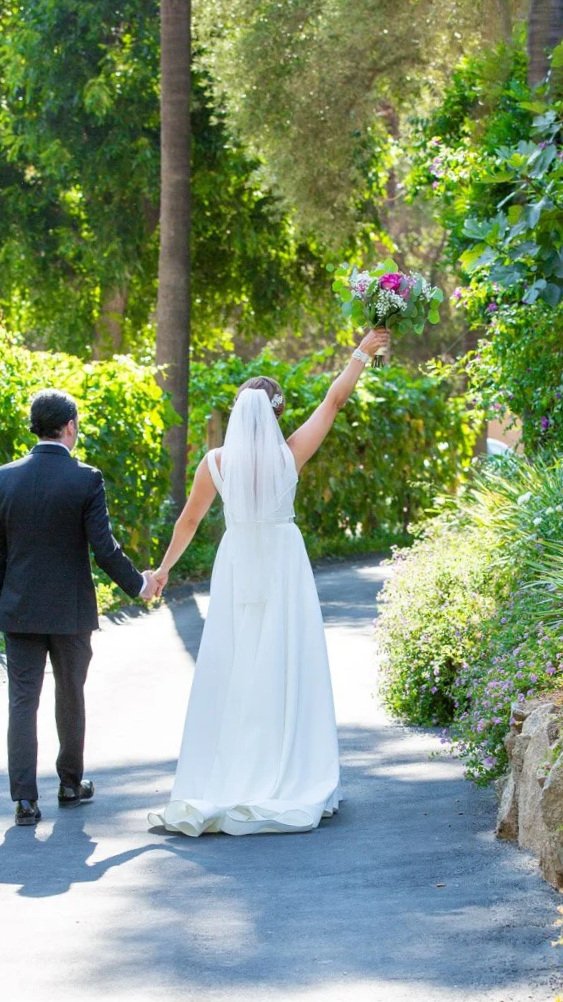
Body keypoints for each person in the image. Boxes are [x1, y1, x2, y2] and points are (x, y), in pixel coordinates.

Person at [148, 328, 388, 837]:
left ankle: (232, 768)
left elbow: (188, 522)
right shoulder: (290, 454)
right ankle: (287, 766)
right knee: (285, 661)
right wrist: (361, 354)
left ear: (238, 415)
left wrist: (166, 567)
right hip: (282, 563)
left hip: (237, 564)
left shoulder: (215, 464)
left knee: (237, 664)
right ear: (277, 413)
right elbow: (335, 399)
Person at [0, 389, 158, 826]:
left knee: (21, 701)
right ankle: (70, 784)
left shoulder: (4, 478)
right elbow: (104, 550)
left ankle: (25, 801)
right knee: (70, 695)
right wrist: (139, 585)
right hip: (70, 612)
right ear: (69, 427)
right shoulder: (85, 478)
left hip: (19, 611)